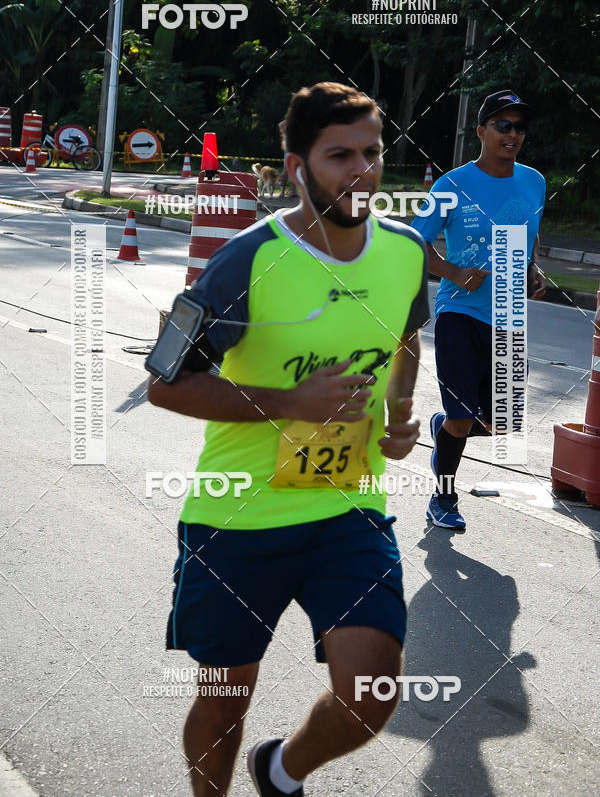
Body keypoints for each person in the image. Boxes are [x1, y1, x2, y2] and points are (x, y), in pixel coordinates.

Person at [147, 81, 430, 797]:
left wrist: (399, 415)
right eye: (339, 156)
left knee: (371, 696)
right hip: (235, 517)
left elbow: (404, 338)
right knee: (223, 698)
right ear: (296, 165)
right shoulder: (243, 262)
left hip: (347, 511)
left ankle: (280, 771)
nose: (361, 172)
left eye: (372, 153)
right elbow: (165, 384)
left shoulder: (405, 251)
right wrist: (289, 402)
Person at [411, 89, 546, 531]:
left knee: (502, 425)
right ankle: (443, 499)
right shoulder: (451, 184)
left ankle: (444, 426)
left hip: (507, 313)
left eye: (519, 127)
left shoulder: (534, 182)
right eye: (503, 125)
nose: (513, 134)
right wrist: (451, 270)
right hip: (459, 314)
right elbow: (415, 242)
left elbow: (529, 233)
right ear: (481, 131)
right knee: (464, 416)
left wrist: (531, 269)